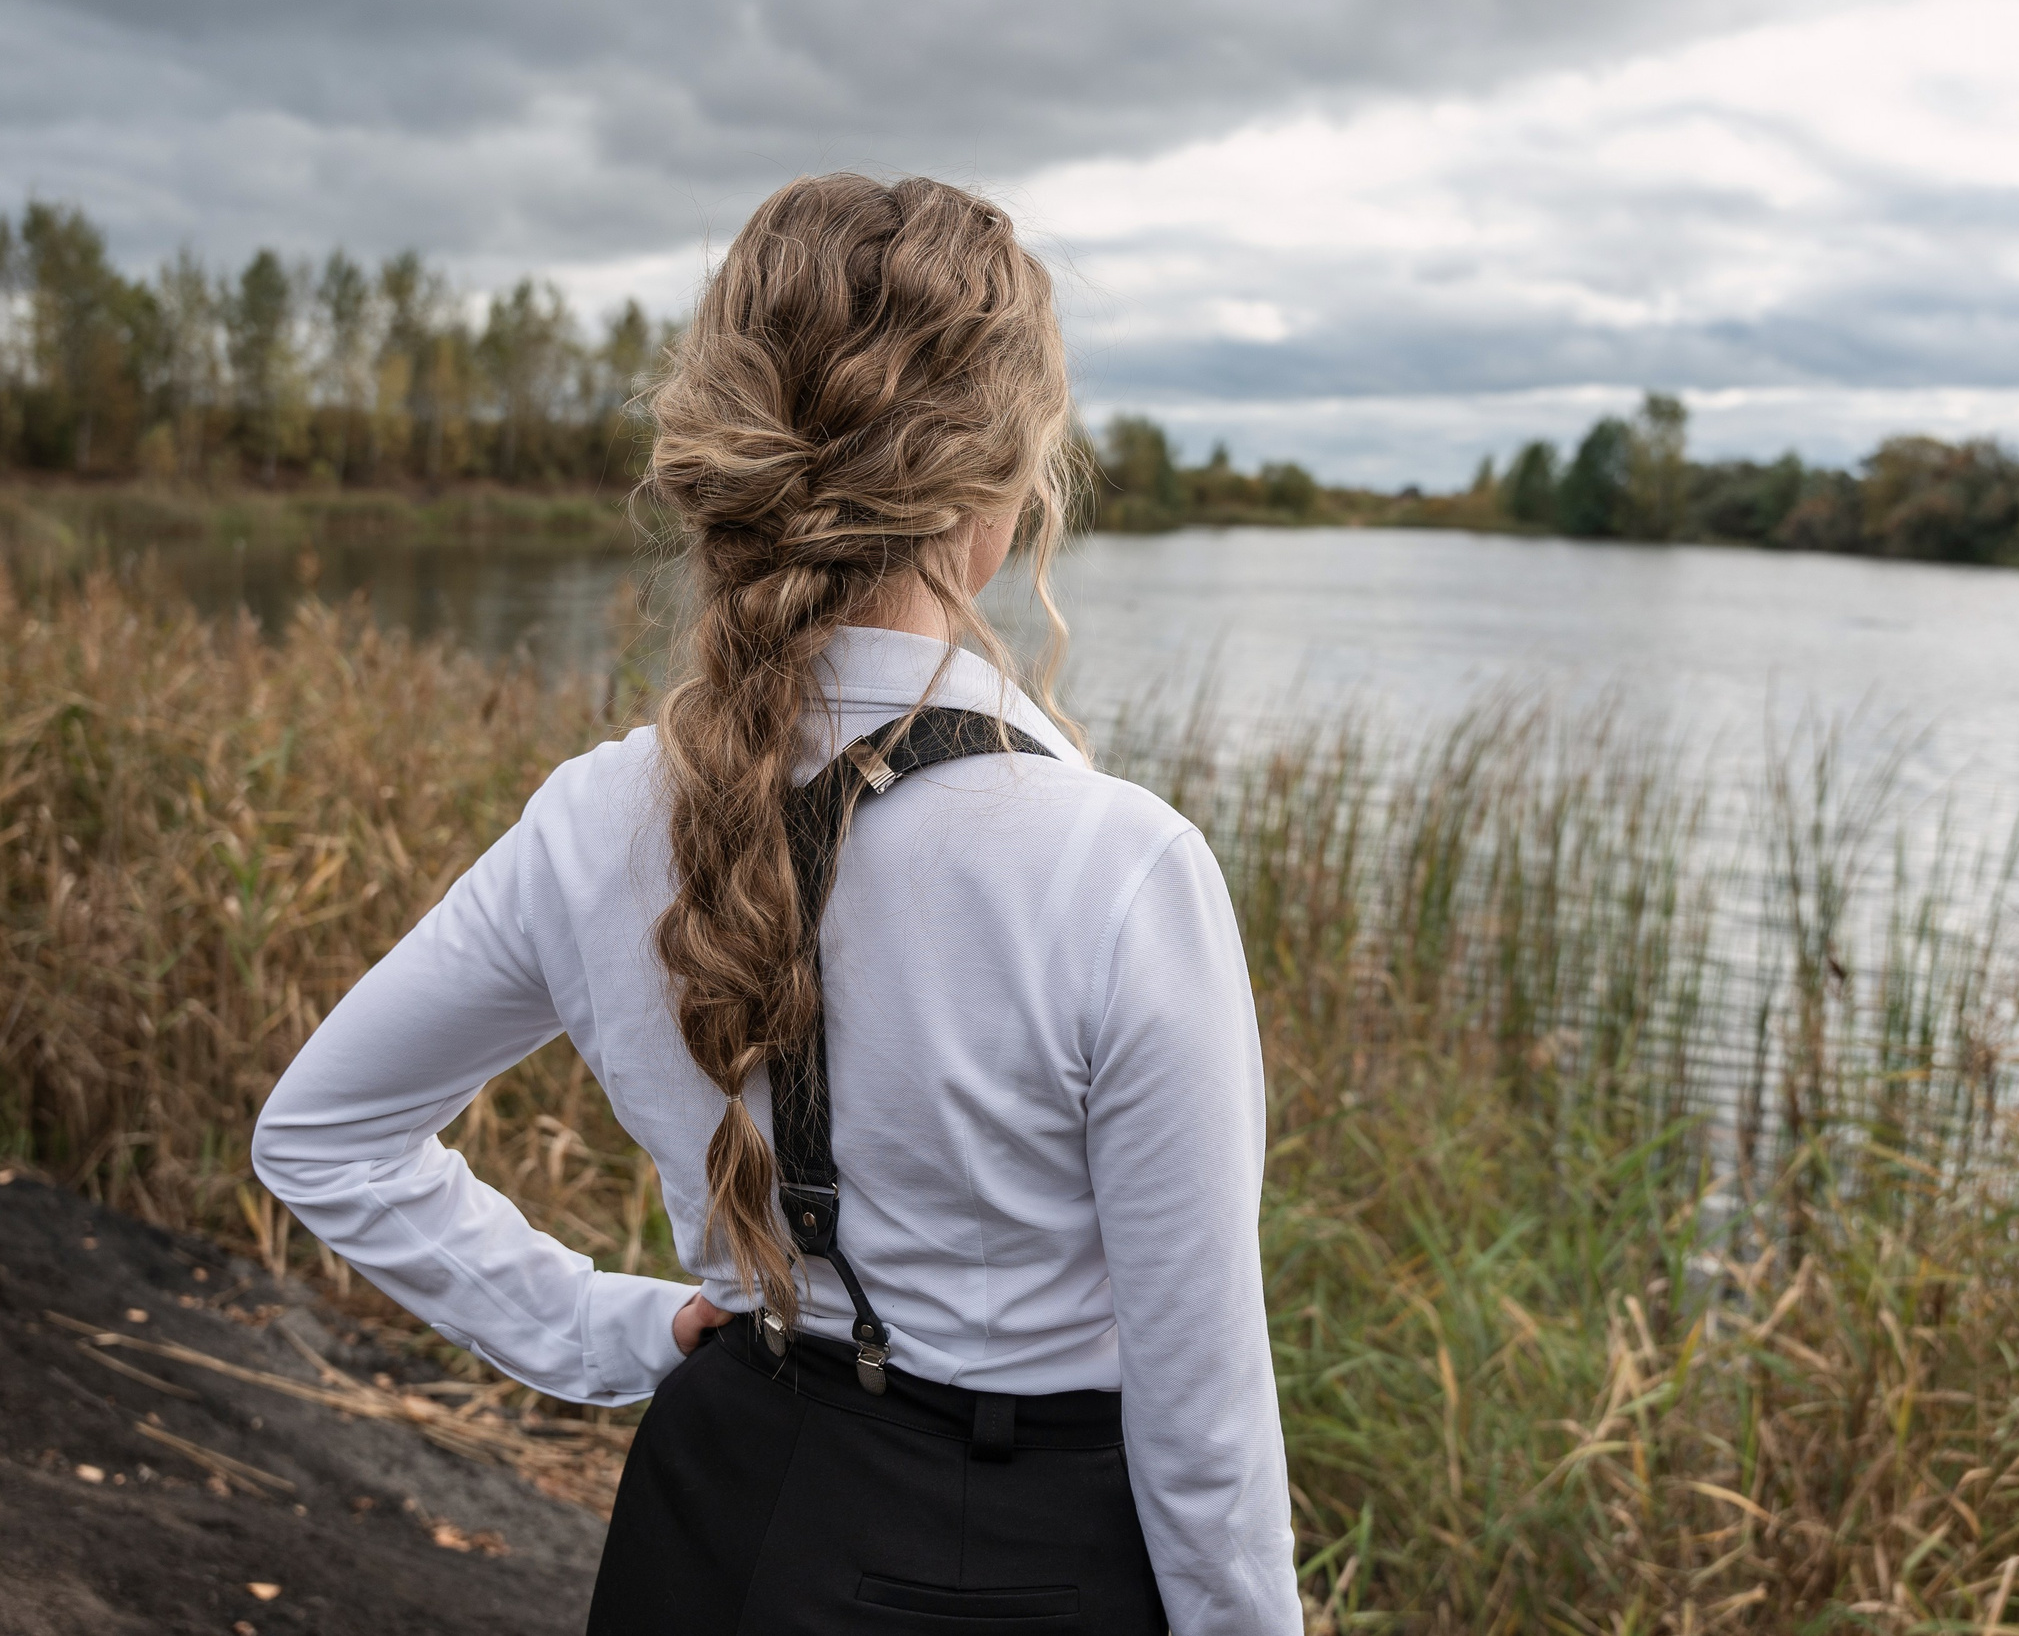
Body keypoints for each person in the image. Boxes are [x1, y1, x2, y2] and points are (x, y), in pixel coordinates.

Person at [252, 173, 1299, 1635]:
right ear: (1000, 501)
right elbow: (1206, 1437)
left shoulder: (591, 817)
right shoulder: (1119, 869)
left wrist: (608, 1330)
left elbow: (321, 1133)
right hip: (1015, 1565)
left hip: (711, 1507)